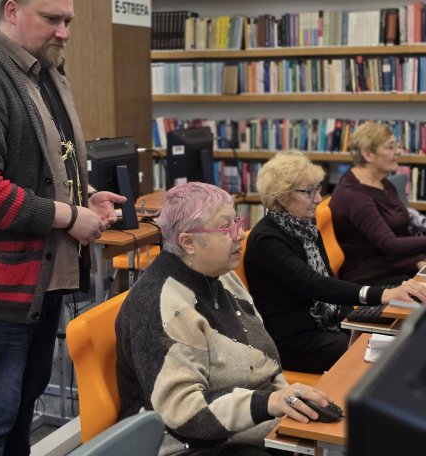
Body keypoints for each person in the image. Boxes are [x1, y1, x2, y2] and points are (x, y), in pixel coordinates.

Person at [0, 0, 126, 454]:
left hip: (41, 281)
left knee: (21, 413)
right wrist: (69, 217)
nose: (63, 32)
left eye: (68, 21)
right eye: (51, 19)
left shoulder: (44, 72)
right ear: (11, 11)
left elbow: (48, 165)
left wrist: (85, 196)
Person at [116, 182, 335, 456]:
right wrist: (270, 403)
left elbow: (265, 361)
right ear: (188, 242)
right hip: (185, 445)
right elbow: (184, 414)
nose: (240, 233)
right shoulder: (160, 303)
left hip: (246, 427)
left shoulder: (222, 275)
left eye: (237, 222)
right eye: (225, 227)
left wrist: (287, 406)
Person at [244, 152, 426, 374]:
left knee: (401, 337)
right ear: (281, 196)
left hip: (325, 325)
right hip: (294, 343)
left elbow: (328, 281)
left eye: (318, 189)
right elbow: (314, 284)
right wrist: (383, 295)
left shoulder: (306, 230)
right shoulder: (266, 239)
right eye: (309, 192)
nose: (319, 199)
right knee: (386, 356)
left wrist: (356, 322)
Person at [330, 121, 426, 285]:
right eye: (390, 147)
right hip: (374, 280)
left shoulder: (383, 183)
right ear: (368, 154)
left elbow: (402, 233)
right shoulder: (354, 196)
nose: (398, 151)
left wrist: (418, 261)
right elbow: (391, 246)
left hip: (399, 269)